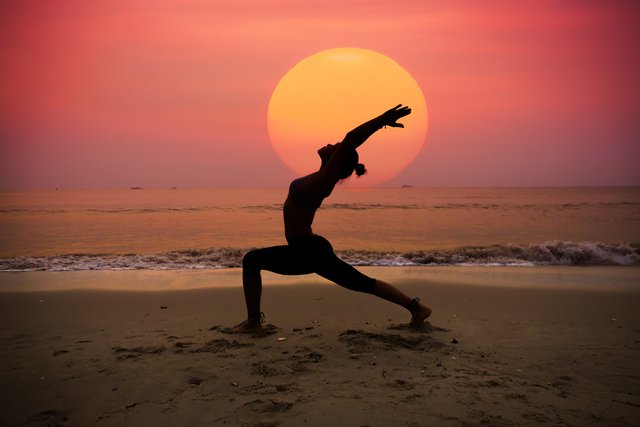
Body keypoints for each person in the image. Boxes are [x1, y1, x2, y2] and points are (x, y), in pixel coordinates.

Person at [232, 105, 432, 333]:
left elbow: (351, 139)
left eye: (336, 148)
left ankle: (253, 323)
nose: (331, 144)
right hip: (310, 248)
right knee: (361, 283)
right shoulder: (319, 177)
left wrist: (382, 120)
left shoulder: (325, 181)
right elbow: (345, 145)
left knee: (252, 260)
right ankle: (417, 308)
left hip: (307, 250)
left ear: (338, 161)